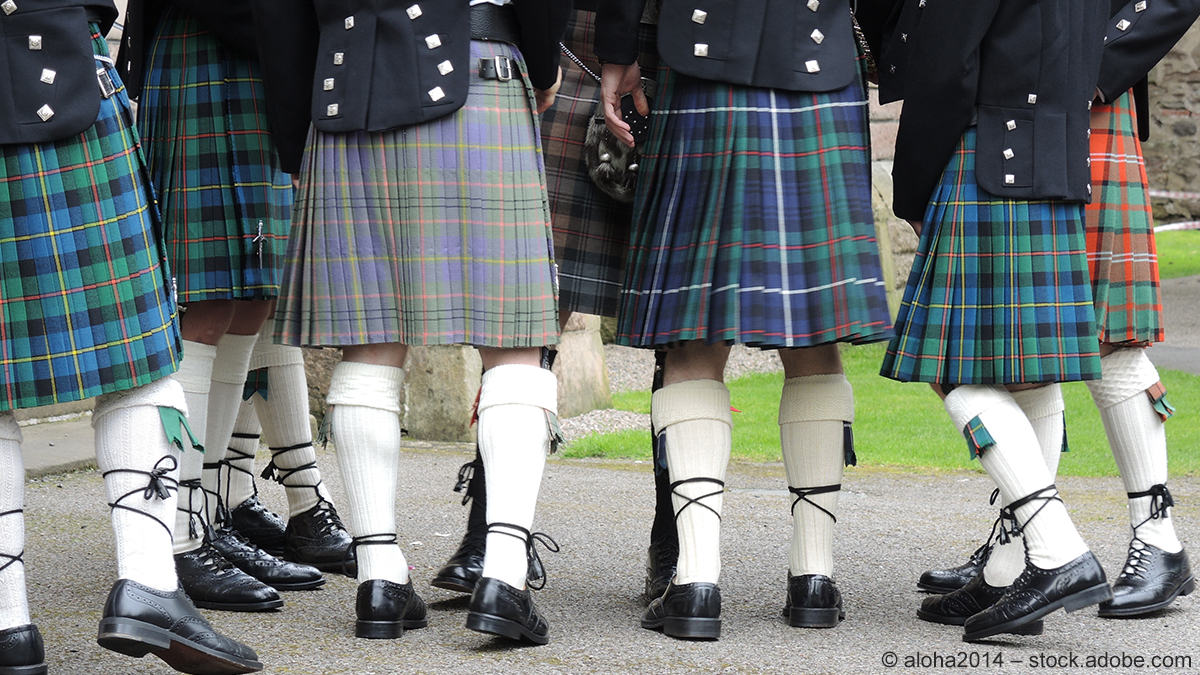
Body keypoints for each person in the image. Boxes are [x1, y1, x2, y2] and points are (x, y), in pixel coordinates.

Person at [273, 0, 570, 644]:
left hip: (349, 93)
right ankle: (504, 577)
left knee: (370, 342)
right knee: (513, 341)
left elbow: (282, 12)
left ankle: (379, 580)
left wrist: (294, 130)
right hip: (478, 70)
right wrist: (543, 62)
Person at [597, 0, 895, 640]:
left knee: (693, 328)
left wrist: (618, 52)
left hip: (705, 57)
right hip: (820, 62)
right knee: (813, 328)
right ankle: (814, 578)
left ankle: (697, 586)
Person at [914, 0, 1200, 623]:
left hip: (1088, 94)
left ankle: (1158, 539)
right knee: (1027, 344)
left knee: (1111, 333)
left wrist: (1091, 63)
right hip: (1025, 91)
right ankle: (1021, 552)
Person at [0, 4, 260, 672]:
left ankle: (9, 627)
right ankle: (148, 583)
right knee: (138, 355)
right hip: (50, 65)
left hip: (46, 64)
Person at [871, 0, 1113, 642]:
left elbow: (947, 69)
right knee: (1029, 378)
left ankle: (1058, 552)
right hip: (1057, 155)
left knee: (957, 373)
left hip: (987, 157)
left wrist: (913, 184)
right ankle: (1011, 572)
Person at [429, 0, 680, 605]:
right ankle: (489, 539)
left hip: (677, 40)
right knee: (534, 304)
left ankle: (676, 544)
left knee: (681, 318)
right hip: (570, 38)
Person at [118, 0, 355, 612]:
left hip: (261, 62)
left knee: (253, 300)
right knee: (208, 305)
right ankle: (179, 530)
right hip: (216, 48)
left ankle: (209, 514)